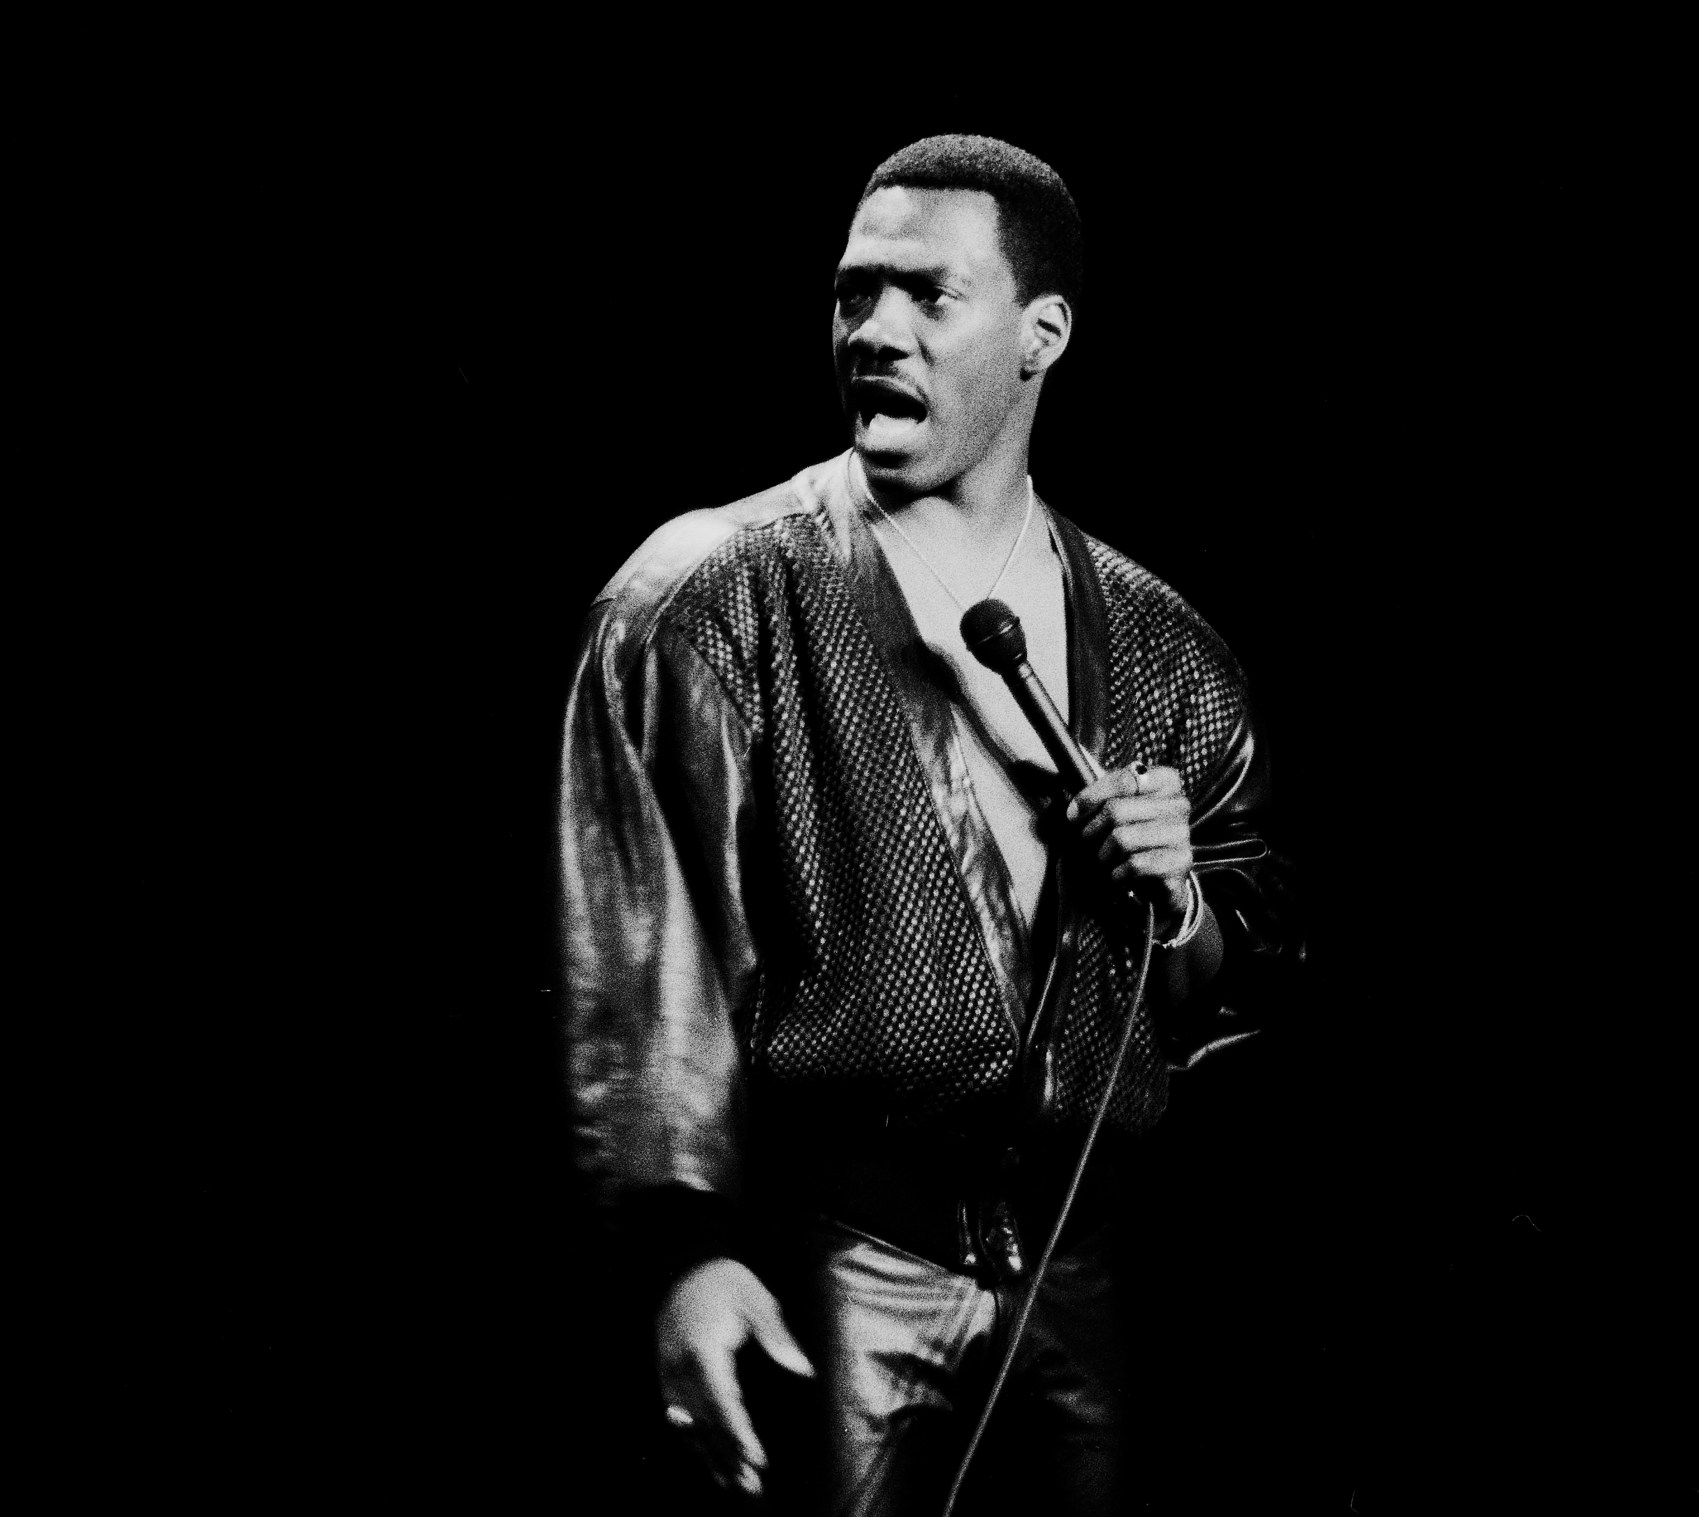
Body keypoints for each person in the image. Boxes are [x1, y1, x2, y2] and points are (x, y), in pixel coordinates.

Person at [557, 134, 1302, 1514]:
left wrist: (1181, 898)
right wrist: (685, 1250)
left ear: (1043, 332)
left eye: (924, 295)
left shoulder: (1166, 650)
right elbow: (644, 955)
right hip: (839, 1254)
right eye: (852, 294)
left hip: (1088, 1265)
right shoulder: (703, 602)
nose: (873, 332)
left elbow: (1247, 986)